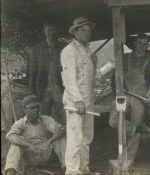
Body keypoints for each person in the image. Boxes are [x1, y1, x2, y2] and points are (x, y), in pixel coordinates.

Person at [109, 33, 150, 166]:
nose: (142, 46)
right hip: (124, 94)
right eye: (139, 43)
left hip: (140, 96)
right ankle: (138, 128)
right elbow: (115, 77)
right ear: (135, 43)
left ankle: (129, 158)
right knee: (114, 121)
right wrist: (117, 94)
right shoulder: (125, 58)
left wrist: (148, 93)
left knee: (135, 120)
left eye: (145, 44)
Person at [61, 17, 98, 175]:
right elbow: (69, 79)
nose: (87, 33)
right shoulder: (70, 50)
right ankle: (72, 171)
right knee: (75, 138)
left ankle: (84, 169)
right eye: (83, 30)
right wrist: (78, 101)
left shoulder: (87, 50)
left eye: (89, 30)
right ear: (75, 32)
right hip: (76, 102)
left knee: (86, 137)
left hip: (88, 100)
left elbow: (89, 78)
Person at [4, 95, 66, 175]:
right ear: (25, 110)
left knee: (60, 138)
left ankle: (67, 167)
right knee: (15, 144)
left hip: (45, 152)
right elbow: (11, 136)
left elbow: (61, 129)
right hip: (30, 156)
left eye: (37, 107)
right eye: (32, 108)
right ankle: (10, 172)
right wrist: (30, 145)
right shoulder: (21, 123)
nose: (36, 110)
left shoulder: (45, 119)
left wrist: (49, 142)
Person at [29, 21, 66, 125]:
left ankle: (65, 140)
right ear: (44, 31)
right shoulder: (37, 49)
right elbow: (33, 74)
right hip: (43, 90)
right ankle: (46, 141)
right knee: (44, 120)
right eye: (49, 30)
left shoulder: (63, 48)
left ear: (57, 31)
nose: (51, 33)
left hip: (60, 89)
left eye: (54, 30)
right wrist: (32, 93)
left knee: (65, 119)